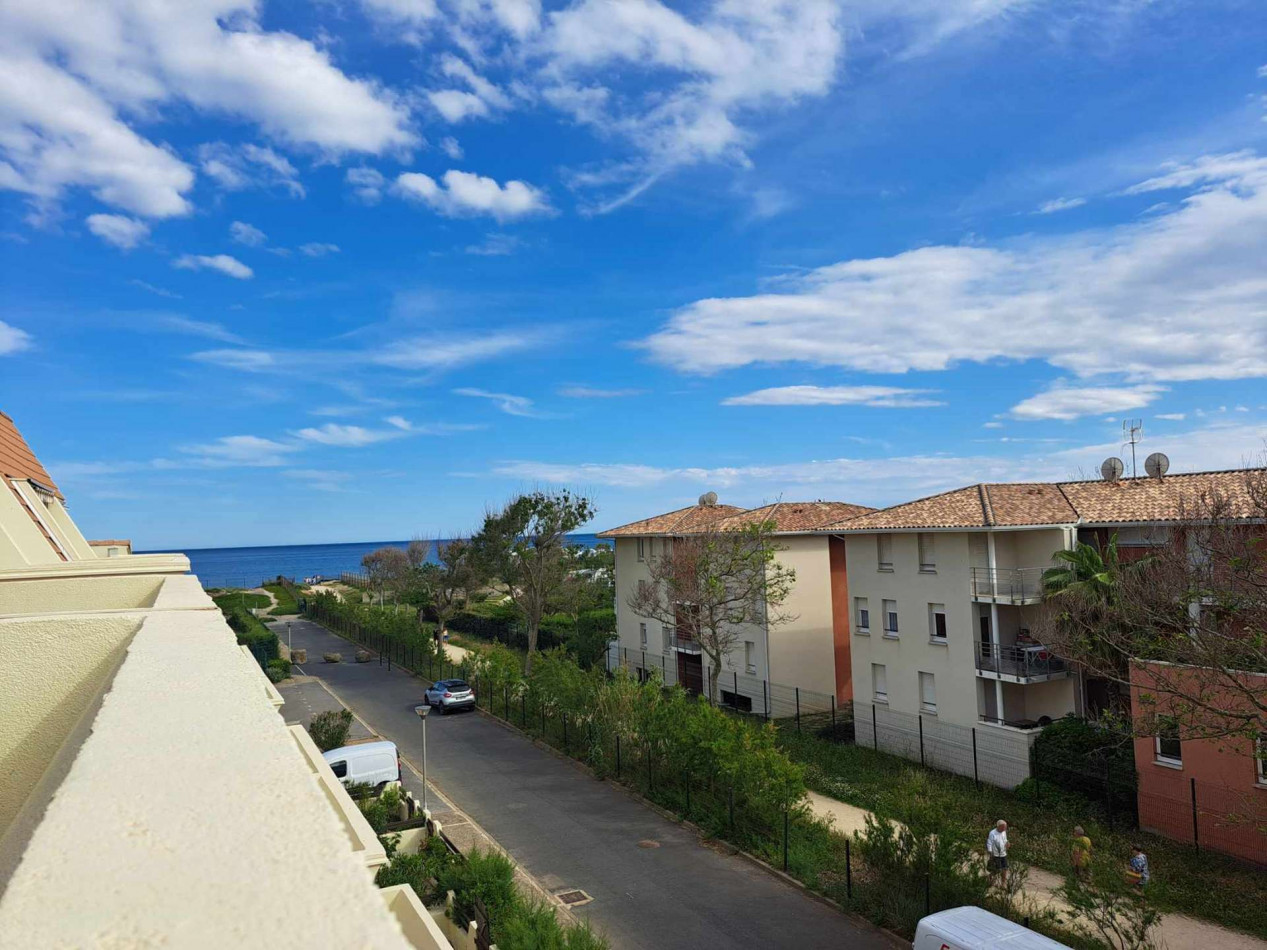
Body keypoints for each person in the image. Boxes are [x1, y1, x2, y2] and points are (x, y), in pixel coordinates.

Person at [986, 819, 1009, 886]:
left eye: (1005, 827)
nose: (1005, 828)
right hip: (995, 854)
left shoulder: (1004, 832)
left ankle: (1003, 884)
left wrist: (1007, 843)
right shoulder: (992, 833)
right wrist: (990, 852)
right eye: (1004, 827)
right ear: (998, 826)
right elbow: (989, 843)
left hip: (1003, 853)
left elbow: (1005, 840)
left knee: (1005, 869)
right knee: (997, 869)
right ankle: (989, 878)